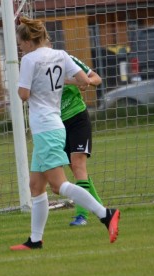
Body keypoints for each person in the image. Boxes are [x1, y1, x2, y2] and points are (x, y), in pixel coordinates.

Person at [9, 16, 120, 250]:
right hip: (54, 126)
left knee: (59, 186)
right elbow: (84, 81)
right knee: (35, 186)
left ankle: (105, 214)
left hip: (46, 129)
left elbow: (23, 94)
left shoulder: (29, 60)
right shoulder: (60, 54)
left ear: (28, 41)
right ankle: (35, 241)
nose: (20, 50)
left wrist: (25, 82)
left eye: (20, 45)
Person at [61, 54, 104, 226]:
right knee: (77, 170)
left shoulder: (65, 58)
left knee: (78, 165)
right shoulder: (33, 64)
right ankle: (103, 211)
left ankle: (81, 215)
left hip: (78, 118)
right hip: (56, 124)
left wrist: (77, 81)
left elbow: (95, 79)